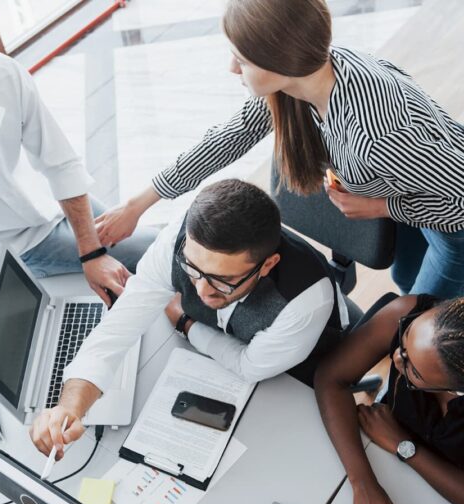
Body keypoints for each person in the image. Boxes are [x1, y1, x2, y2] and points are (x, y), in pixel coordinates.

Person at [94, 0, 464, 299]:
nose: (232, 68)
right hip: (414, 195)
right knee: (406, 276)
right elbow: (227, 138)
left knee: (422, 311)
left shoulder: (377, 138)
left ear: (279, 60)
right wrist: (135, 206)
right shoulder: (307, 78)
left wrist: (382, 206)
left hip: (451, 218)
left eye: (242, 58)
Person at [29, 178, 346, 457]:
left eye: (222, 279)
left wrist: (186, 324)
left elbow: (250, 366)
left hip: (299, 369)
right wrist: (70, 407)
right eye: (193, 269)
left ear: (266, 265)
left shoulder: (305, 302)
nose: (202, 291)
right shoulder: (180, 240)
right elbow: (114, 333)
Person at [0, 53, 157, 306]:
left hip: (51, 198)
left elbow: (59, 162)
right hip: (16, 244)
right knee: (151, 250)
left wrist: (92, 252)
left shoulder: (0, 74)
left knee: (162, 249)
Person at [314, 294, 464, 504]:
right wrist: (362, 482)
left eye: (412, 370)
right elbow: (331, 377)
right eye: (404, 341)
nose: (395, 358)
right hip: (375, 452)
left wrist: (405, 447)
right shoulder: (407, 312)